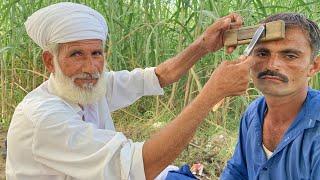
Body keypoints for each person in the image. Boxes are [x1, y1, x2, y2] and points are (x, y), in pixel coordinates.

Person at [6, 2, 256, 180]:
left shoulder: (90, 87)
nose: (90, 67)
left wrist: (203, 44)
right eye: (76, 54)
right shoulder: (44, 117)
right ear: (50, 61)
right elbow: (138, 168)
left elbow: (160, 76)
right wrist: (213, 93)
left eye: (96, 53)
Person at [221, 13, 320, 180]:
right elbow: (237, 172)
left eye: (290, 56)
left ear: (314, 66)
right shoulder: (253, 113)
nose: (272, 65)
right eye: (262, 53)